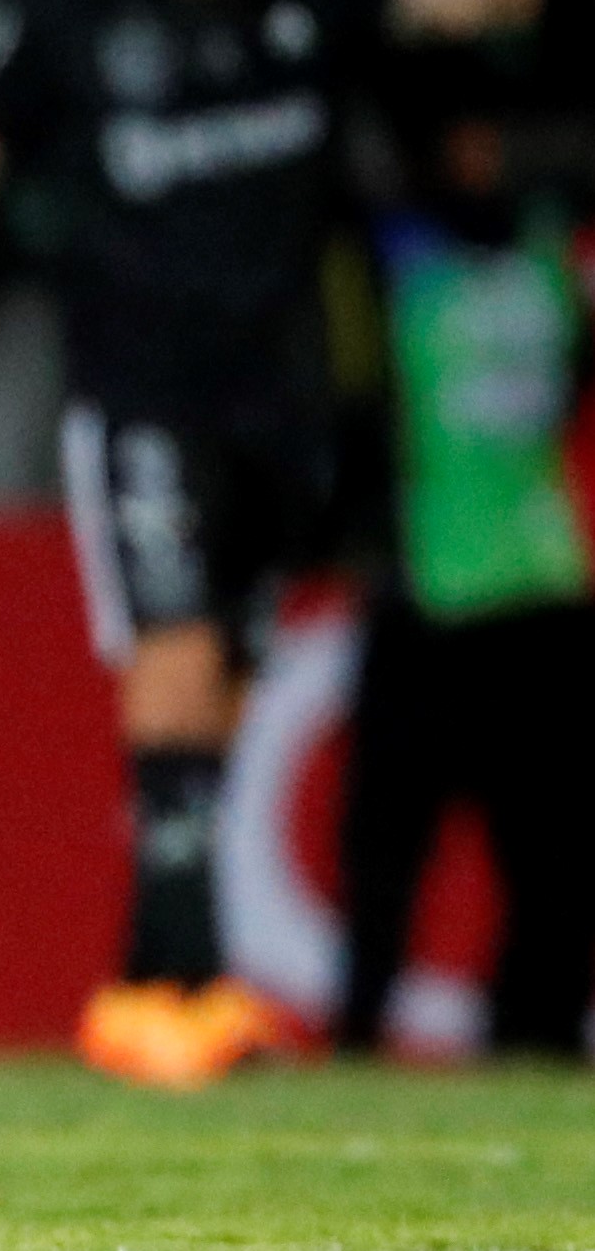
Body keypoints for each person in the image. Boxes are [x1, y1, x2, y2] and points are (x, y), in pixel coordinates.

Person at [0, 0, 540, 1087]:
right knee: (167, 661)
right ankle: (186, 998)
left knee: (217, 689)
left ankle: (148, 989)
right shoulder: (65, 12)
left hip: (278, 411)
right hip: (137, 401)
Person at [335, 69, 595, 1060]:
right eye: (470, 139)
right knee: (386, 853)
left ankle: (536, 1033)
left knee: (554, 855)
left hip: (538, 588)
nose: (486, 158)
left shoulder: (545, 255)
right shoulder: (389, 257)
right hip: (425, 593)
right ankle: (360, 1038)